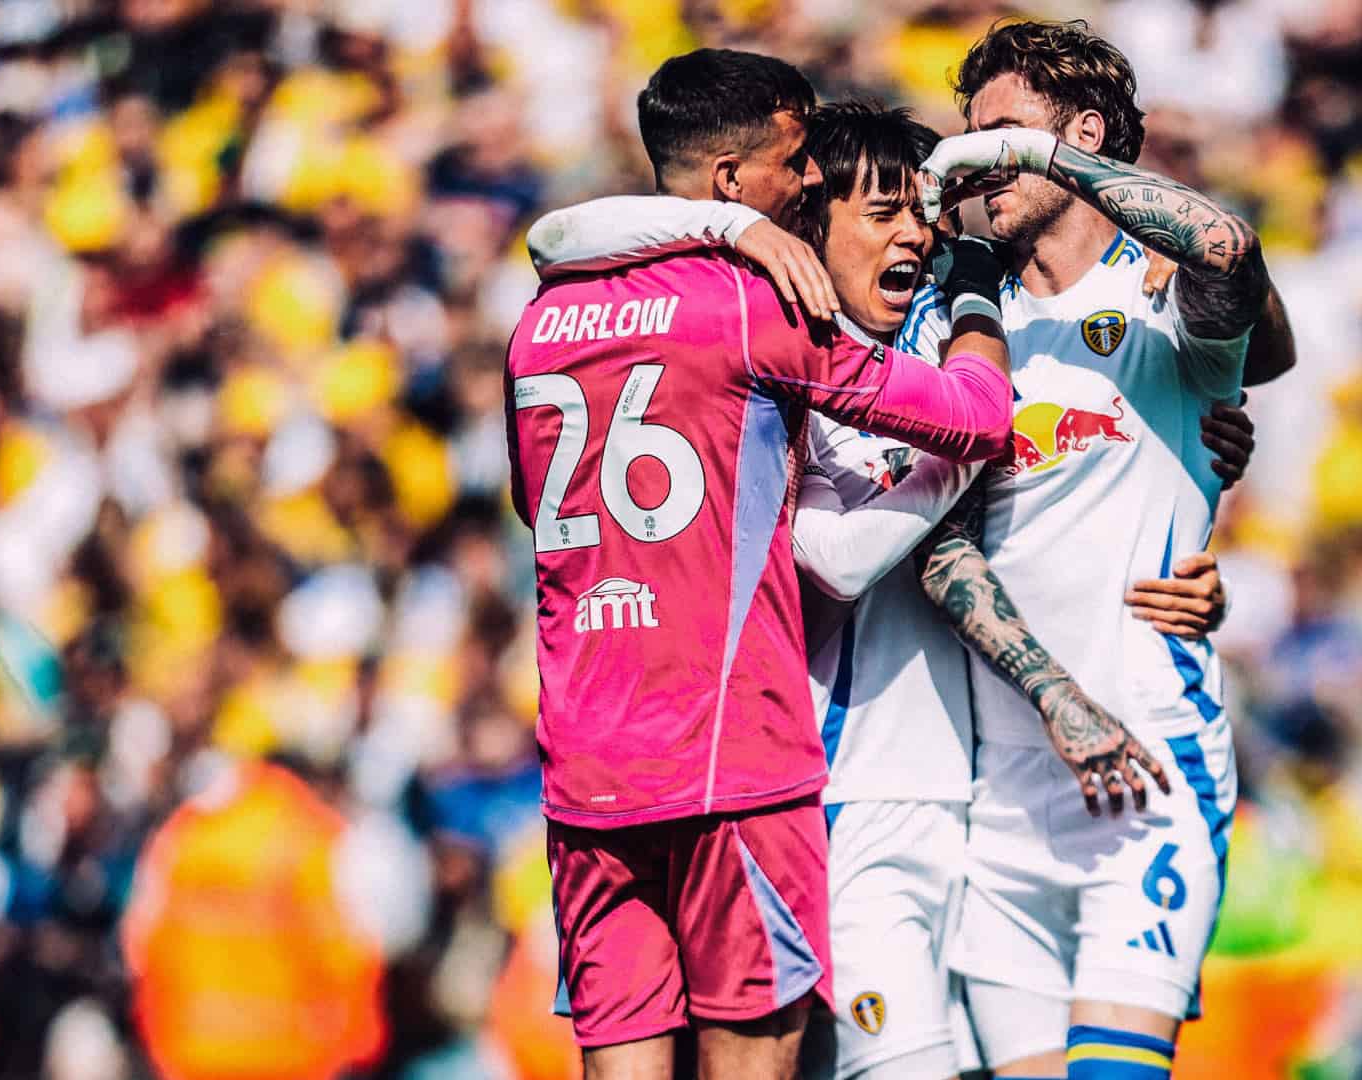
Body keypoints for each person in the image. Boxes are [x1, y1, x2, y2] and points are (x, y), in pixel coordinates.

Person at [529, 101, 1254, 1080]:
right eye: (883, 213)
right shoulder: (778, 367)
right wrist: (971, 439)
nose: (915, 233)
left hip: (970, 801)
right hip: (842, 793)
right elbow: (833, 560)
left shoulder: (938, 349)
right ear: (803, 230)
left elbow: (1070, 478)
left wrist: (1185, 480)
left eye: (922, 212)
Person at [506, 50, 1019, 1080]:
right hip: (731, 758)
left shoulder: (538, 323)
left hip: (586, 767)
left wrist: (725, 226)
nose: (811, 181)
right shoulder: (754, 304)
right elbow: (977, 416)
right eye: (796, 162)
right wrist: (974, 294)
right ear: (732, 178)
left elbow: (532, 500)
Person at [910, 19, 1298, 1079]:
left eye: (1002, 132)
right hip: (1000, 801)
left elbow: (1230, 251)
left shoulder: (1159, 293)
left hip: (1149, 773)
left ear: (1079, 135)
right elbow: (939, 545)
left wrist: (1035, 158)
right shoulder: (959, 317)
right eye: (970, 133)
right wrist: (1051, 698)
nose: (978, 156)